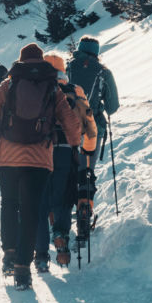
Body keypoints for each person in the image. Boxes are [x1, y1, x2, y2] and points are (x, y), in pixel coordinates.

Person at [0, 43, 81, 289]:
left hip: (8, 158)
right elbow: (71, 121)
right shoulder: (52, 86)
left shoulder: (8, 84)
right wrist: (75, 146)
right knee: (32, 211)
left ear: (20, 61)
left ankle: (9, 255)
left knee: (10, 205)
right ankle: (23, 269)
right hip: (40, 159)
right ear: (41, 61)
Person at [33, 53, 98, 272]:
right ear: (63, 71)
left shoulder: (36, 90)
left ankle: (41, 255)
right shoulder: (75, 91)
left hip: (40, 153)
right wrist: (86, 150)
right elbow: (90, 126)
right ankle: (60, 233)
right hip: (67, 153)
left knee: (41, 204)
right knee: (64, 199)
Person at [67, 36, 119, 148]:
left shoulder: (67, 68)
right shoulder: (104, 72)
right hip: (92, 128)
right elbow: (112, 107)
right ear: (96, 52)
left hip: (66, 127)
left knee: (66, 164)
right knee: (86, 165)